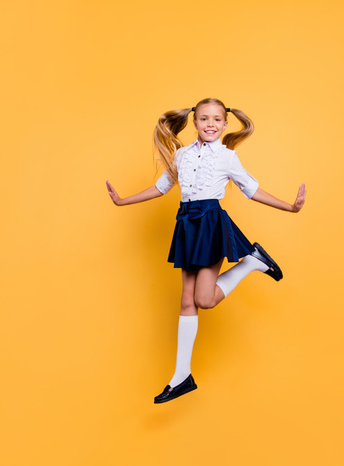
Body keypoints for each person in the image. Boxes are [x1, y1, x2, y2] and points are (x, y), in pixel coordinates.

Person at [106, 98, 306, 403]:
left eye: (216, 120)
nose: (210, 124)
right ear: (194, 122)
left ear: (225, 125)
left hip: (210, 222)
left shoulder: (227, 157)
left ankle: (251, 262)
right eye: (203, 119)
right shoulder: (181, 155)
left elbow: (251, 189)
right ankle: (181, 376)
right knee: (188, 301)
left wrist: (290, 207)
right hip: (186, 223)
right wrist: (122, 201)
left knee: (203, 299)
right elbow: (161, 187)